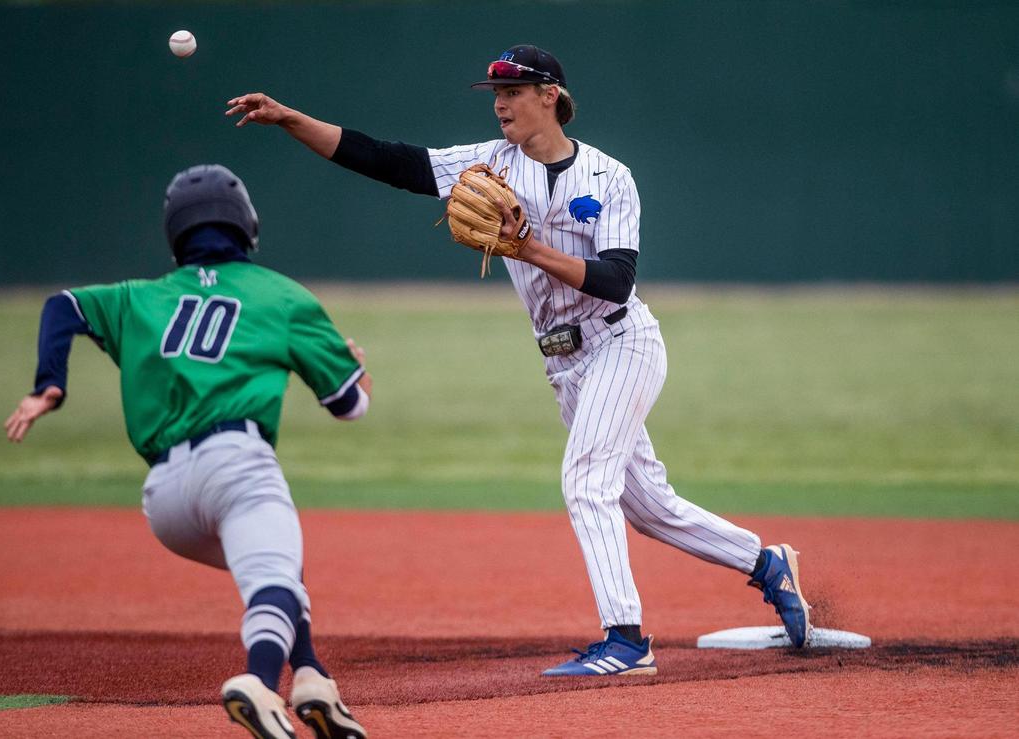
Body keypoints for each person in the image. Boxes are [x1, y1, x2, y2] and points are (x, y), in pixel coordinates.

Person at [224, 44, 813, 676]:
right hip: (564, 363)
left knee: (587, 483)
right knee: (648, 508)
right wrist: (291, 119)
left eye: (514, 91)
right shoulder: (488, 165)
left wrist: (527, 247)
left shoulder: (610, 177)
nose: (500, 102)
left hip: (621, 340)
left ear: (551, 97)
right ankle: (765, 562)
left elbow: (616, 280)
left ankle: (626, 640)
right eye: (494, 92)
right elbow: (385, 160)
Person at [4, 164, 370, 737]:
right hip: (236, 464)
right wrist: (356, 369)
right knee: (274, 569)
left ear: (175, 233)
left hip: (165, 502)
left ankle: (313, 677)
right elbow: (349, 405)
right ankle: (257, 681)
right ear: (248, 224)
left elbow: (63, 305)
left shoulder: (140, 298)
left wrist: (49, 383)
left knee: (275, 568)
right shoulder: (281, 295)